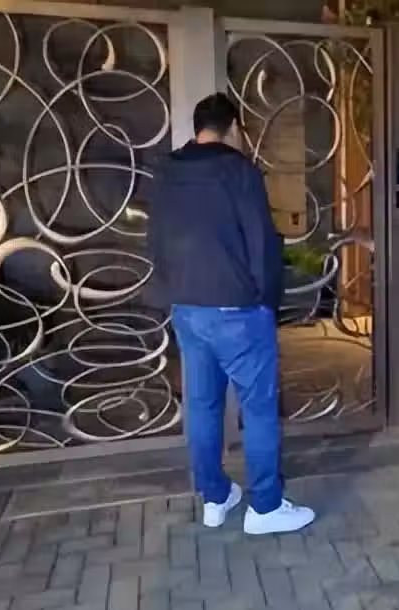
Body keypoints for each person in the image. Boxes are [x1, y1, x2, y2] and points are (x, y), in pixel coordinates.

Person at [147, 93, 315, 535]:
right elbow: (261, 241)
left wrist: (171, 290)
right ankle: (266, 507)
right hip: (237, 309)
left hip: (187, 306)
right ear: (234, 128)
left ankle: (215, 497)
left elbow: (155, 238)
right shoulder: (239, 172)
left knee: (202, 405)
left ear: (197, 127)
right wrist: (266, 300)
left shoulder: (166, 172)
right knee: (258, 409)